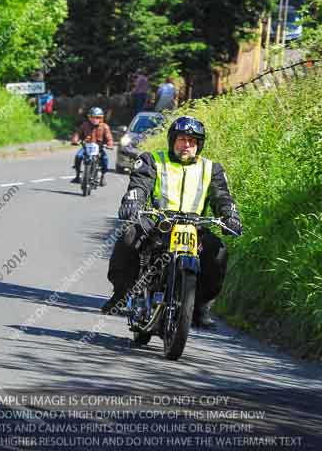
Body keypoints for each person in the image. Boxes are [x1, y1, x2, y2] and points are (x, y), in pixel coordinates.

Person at [101, 115, 242, 328]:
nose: (187, 145)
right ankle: (121, 292)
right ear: (172, 140)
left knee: (218, 251)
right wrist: (133, 201)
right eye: (182, 140)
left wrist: (230, 215)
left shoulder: (211, 169)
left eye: (192, 142)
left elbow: (222, 197)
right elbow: (139, 185)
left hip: (195, 225)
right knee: (129, 236)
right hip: (159, 220)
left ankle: (200, 306)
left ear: (199, 145)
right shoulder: (152, 160)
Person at [71, 107, 114, 184]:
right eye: (92, 117)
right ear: (89, 117)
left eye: (97, 117)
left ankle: (103, 176)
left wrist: (110, 144)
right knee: (78, 156)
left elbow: (109, 137)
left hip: (99, 148)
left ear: (101, 118)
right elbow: (77, 133)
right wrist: (75, 140)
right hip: (86, 147)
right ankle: (77, 176)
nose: (95, 119)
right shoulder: (84, 125)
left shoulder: (105, 127)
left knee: (105, 159)